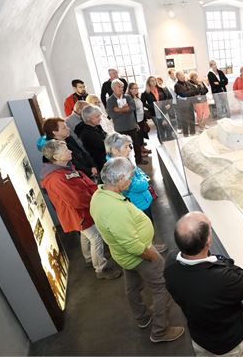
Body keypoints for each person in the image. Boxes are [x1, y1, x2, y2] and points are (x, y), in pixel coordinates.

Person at [90, 157, 185, 343]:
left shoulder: (99, 195)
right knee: (161, 288)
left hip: (122, 256)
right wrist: (154, 257)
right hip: (138, 256)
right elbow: (132, 245)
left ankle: (142, 318)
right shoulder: (114, 209)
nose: (131, 180)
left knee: (132, 287)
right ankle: (160, 331)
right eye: (130, 177)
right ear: (119, 179)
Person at [164, 212, 243, 356]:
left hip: (200, 339)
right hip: (230, 346)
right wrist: (220, 260)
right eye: (210, 229)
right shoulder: (222, 279)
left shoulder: (170, 264)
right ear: (208, 241)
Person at [41, 140, 120, 279]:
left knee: (86, 235)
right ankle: (100, 268)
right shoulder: (56, 178)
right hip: (78, 214)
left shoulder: (64, 169)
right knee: (96, 237)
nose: (70, 151)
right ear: (56, 157)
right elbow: (75, 200)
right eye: (66, 150)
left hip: (81, 212)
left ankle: (90, 258)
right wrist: (95, 200)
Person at [104, 133, 165, 252]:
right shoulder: (116, 167)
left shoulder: (124, 161)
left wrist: (143, 178)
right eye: (126, 147)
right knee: (143, 228)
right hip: (138, 204)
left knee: (148, 224)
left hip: (142, 200)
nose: (129, 149)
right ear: (115, 150)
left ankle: (151, 244)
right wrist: (145, 181)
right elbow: (138, 184)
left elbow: (139, 173)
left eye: (129, 146)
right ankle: (149, 248)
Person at [106, 79, 145, 164]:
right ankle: (126, 163)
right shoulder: (110, 100)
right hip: (120, 127)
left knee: (136, 144)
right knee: (122, 146)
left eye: (122, 87)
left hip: (131, 124)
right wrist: (125, 109)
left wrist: (118, 109)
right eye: (119, 87)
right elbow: (112, 114)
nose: (121, 89)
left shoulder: (127, 97)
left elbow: (132, 107)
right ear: (113, 88)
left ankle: (139, 160)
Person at [75, 105, 108, 171]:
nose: (100, 118)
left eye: (99, 116)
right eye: (97, 116)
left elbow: (106, 136)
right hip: (101, 162)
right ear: (88, 119)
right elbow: (104, 146)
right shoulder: (86, 133)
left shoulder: (95, 126)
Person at [141, 76, 173, 142]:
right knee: (160, 127)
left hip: (164, 110)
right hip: (154, 112)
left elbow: (170, 98)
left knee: (167, 126)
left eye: (154, 80)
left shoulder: (162, 89)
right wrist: (151, 106)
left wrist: (169, 104)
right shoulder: (146, 92)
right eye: (151, 81)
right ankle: (162, 142)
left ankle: (170, 140)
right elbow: (143, 103)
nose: (153, 82)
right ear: (148, 82)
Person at [127, 83, 151, 154]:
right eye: (134, 88)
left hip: (141, 119)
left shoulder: (137, 97)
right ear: (130, 89)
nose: (136, 90)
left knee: (141, 135)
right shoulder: (129, 98)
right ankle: (139, 152)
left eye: (137, 88)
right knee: (137, 137)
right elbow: (131, 111)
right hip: (135, 120)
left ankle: (142, 148)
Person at [174, 70, 198, 136]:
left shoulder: (187, 82)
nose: (183, 76)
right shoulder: (177, 85)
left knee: (192, 118)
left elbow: (195, 89)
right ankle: (186, 134)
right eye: (182, 75)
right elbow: (184, 94)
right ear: (178, 76)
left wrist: (189, 91)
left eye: (183, 74)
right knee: (185, 120)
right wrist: (191, 91)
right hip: (183, 105)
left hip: (190, 103)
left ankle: (193, 133)